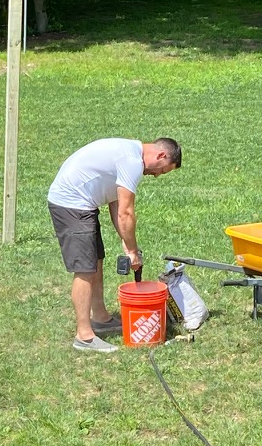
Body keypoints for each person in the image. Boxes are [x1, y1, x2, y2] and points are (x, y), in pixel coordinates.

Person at [46, 137, 182, 352]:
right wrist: (132, 250)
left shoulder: (129, 153)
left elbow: (116, 202)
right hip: (71, 204)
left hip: (83, 204)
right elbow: (126, 212)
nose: (156, 175)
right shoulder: (132, 161)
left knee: (96, 260)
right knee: (84, 269)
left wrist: (129, 247)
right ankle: (84, 336)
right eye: (162, 170)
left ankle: (100, 318)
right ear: (161, 155)